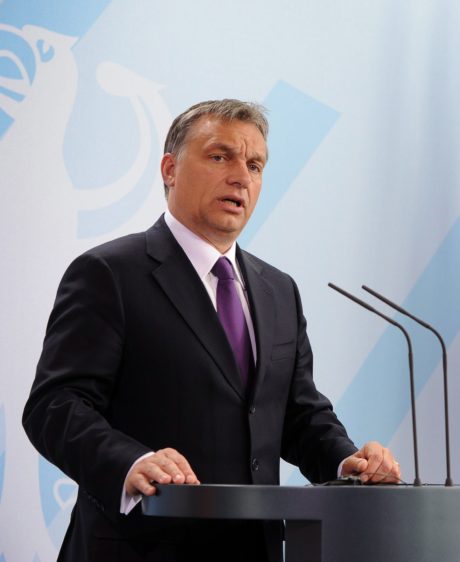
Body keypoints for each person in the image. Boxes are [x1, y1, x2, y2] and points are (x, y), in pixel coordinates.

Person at [22, 99, 400, 562]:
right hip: (142, 548)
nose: (241, 177)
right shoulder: (109, 273)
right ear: (170, 169)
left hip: (254, 549)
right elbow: (55, 405)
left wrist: (347, 462)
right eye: (220, 156)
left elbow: (298, 415)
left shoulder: (279, 290)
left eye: (255, 165)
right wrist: (130, 461)